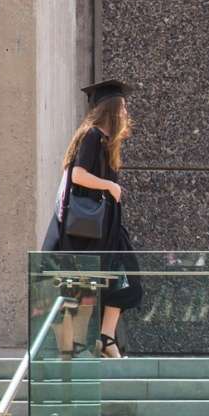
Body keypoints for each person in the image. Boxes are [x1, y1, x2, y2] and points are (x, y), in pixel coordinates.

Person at [47, 79, 143, 358]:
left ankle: (105, 337)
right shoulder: (91, 136)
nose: (126, 113)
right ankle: (80, 346)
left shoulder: (105, 142)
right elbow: (77, 175)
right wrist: (109, 185)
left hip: (106, 230)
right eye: (122, 107)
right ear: (111, 110)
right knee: (86, 288)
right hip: (90, 232)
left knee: (126, 279)